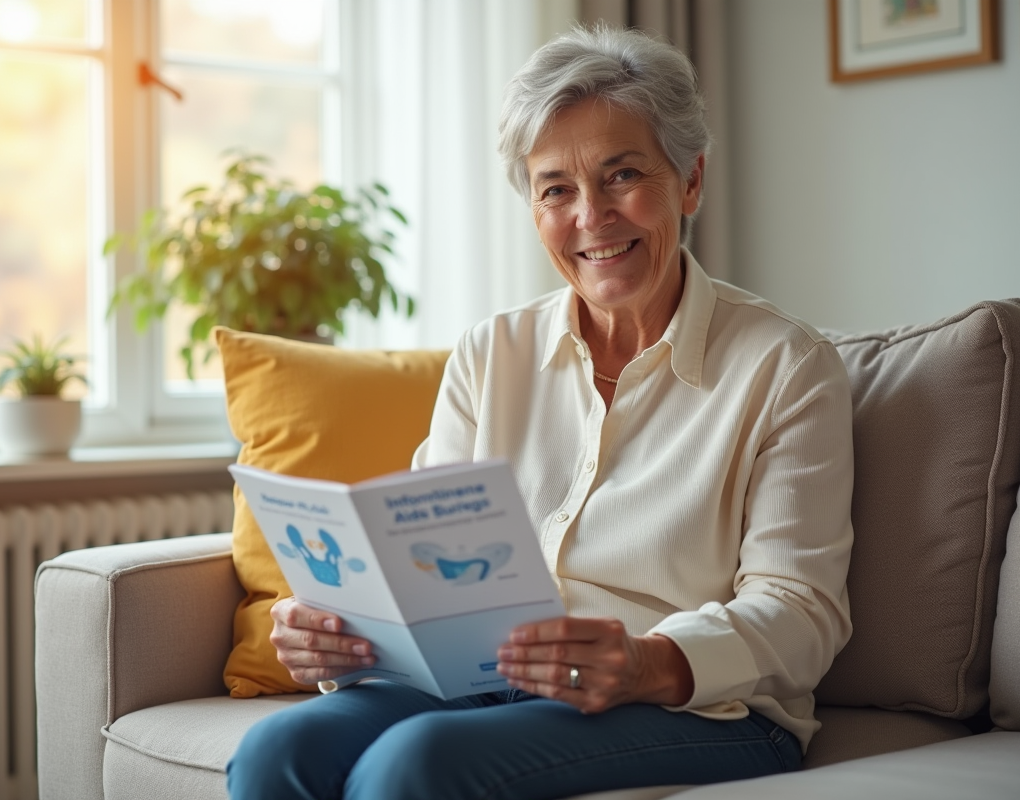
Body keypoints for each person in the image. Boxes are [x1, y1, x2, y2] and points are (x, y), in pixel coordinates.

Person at [228, 24, 854, 800]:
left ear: (690, 180)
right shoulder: (491, 352)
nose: (592, 215)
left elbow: (802, 611)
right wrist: (345, 633)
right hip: (485, 682)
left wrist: (650, 661)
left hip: (699, 706)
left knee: (416, 763)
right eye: (556, 189)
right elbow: (424, 570)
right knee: (278, 750)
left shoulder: (786, 366)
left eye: (623, 175)